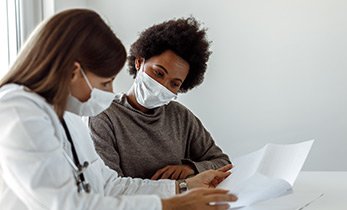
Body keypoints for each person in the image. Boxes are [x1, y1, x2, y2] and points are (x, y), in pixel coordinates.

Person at [0, 9, 237, 210]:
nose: (110, 91)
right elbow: (68, 204)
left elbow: (110, 185)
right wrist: (171, 204)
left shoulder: (67, 116)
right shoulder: (19, 113)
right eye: (105, 83)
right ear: (74, 72)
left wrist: (184, 186)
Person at [89, 17, 231, 180]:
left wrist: (191, 168)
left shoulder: (181, 117)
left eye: (174, 83)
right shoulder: (103, 116)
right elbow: (110, 188)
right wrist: (178, 187)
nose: (162, 85)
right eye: (158, 73)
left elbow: (222, 162)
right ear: (139, 62)